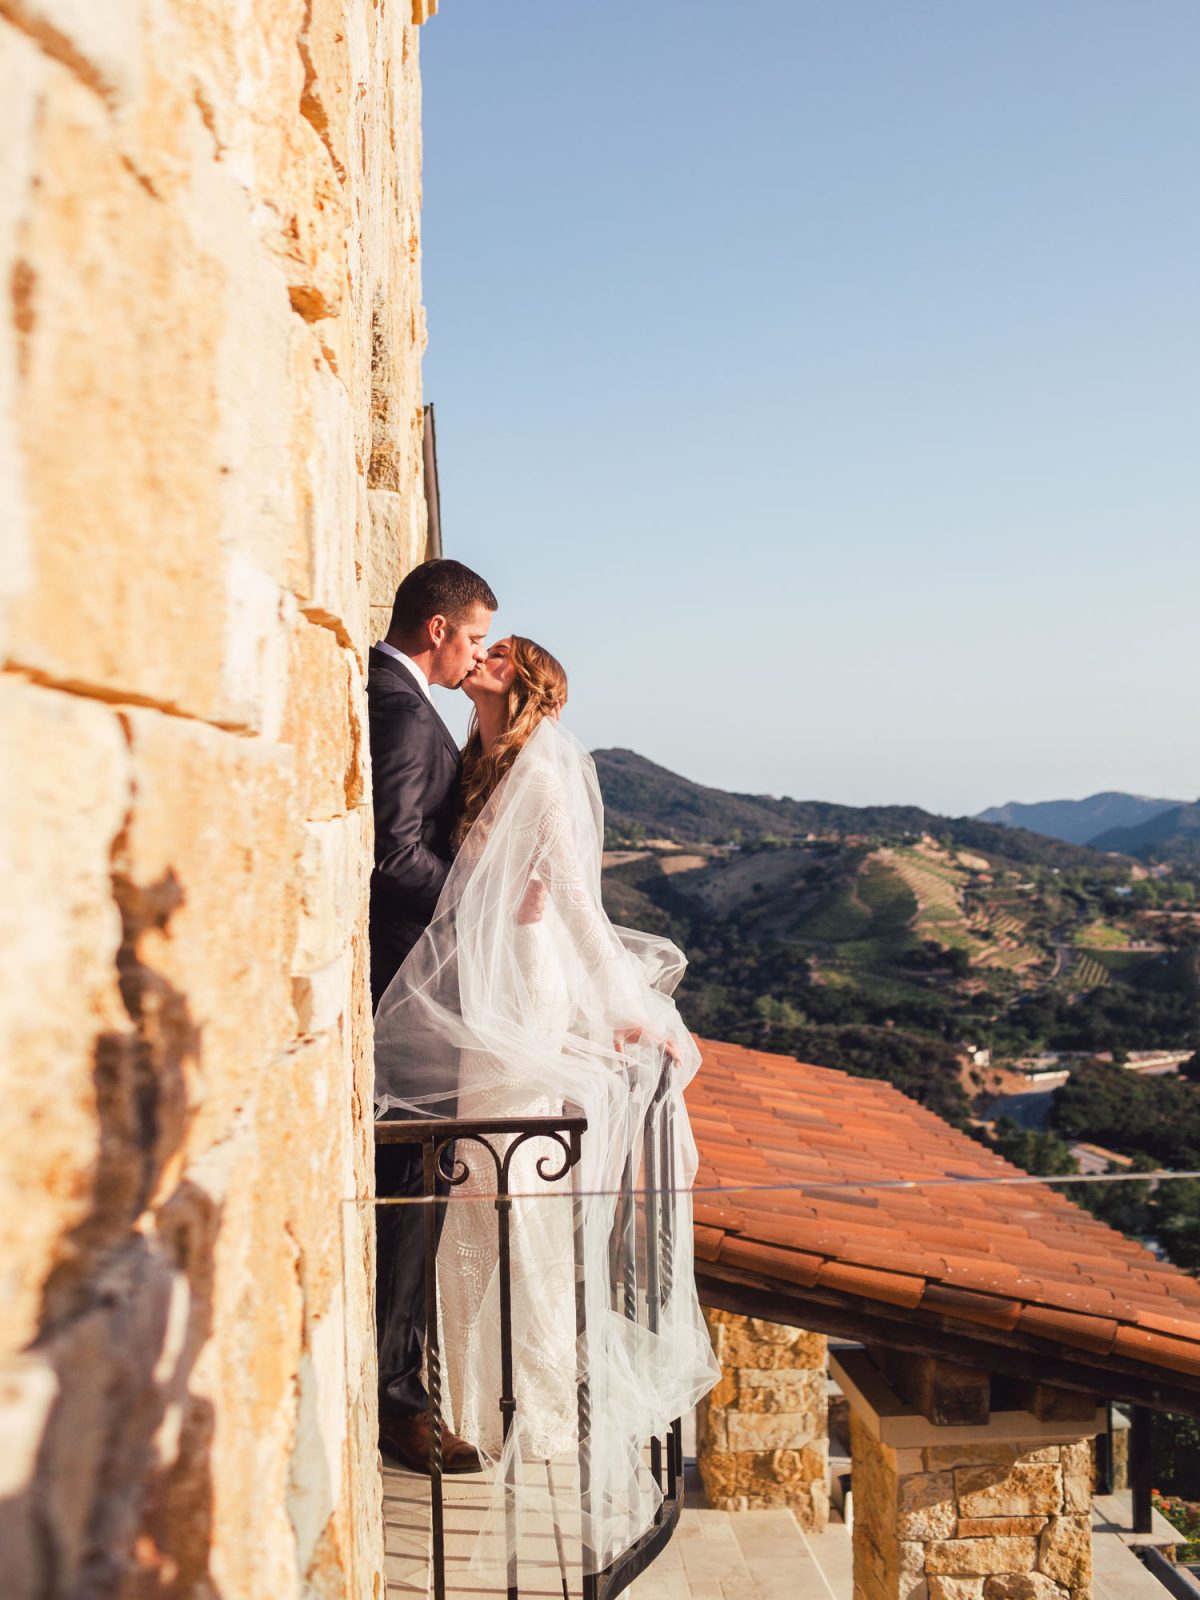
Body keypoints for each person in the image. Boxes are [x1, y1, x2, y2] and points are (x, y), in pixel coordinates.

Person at [374, 636, 719, 1575]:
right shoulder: (477, 758)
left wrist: (622, 1004)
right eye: (478, 645)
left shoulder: (542, 769)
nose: (480, 656)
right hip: (469, 988)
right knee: (477, 1196)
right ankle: (475, 1394)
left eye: (498, 654)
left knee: (512, 1191)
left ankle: (531, 1398)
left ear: (520, 685)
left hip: (520, 987)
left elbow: (572, 896)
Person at [369, 558, 498, 1476]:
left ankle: (407, 1385)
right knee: (412, 1201)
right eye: (477, 636)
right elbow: (395, 856)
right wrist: (478, 904)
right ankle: (401, 1405)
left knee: (421, 1190)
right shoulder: (407, 710)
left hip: (409, 989)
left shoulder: (398, 697)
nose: (478, 653)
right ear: (439, 630)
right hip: (402, 993)